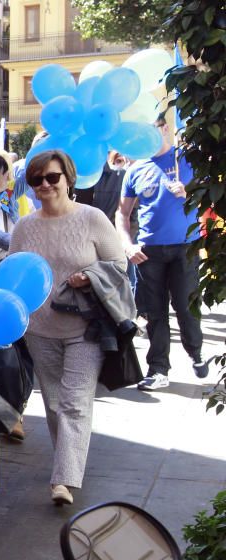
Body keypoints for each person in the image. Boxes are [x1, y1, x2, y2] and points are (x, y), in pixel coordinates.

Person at [9, 150, 127, 505]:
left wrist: (88, 276)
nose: (44, 185)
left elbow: (118, 262)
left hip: (85, 327)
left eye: (52, 177)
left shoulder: (92, 219)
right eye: (36, 180)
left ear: (68, 179)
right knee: (55, 404)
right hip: (39, 328)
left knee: (75, 403)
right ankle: (70, 460)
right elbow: (14, 273)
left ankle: (64, 480)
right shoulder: (25, 226)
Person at [116, 116, 208, 390]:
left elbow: (212, 198)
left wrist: (189, 196)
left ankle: (196, 351)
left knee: (185, 307)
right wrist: (127, 245)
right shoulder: (135, 169)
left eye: (151, 130)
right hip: (148, 250)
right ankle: (158, 369)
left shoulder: (188, 159)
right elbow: (122, 213)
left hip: (185, 247)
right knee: (154, 312)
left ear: (165, 128)